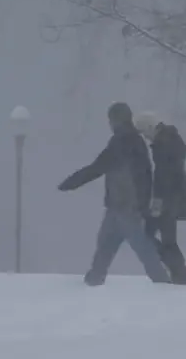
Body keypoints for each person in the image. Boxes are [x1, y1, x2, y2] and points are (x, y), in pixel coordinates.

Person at [58, 102, 170, 286]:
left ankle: (163, 281)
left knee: (140, 246)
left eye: (111, 120)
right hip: (120, 205)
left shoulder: (122, 141)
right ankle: (95, 277)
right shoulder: (135, 140)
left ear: (116, 120)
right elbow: (145, 174)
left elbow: (99, 167)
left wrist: (72, 182)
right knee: (106, 242)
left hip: (126, 206)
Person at [134, 111, 186, 285]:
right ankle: (177, 274)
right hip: (172, 197)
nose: (146, 137)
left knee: (161, 239)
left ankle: (178, 275)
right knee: (158, 238)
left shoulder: (163, 145)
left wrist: (157, 203)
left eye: (145, 133)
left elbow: (163, 177)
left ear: (151, 128)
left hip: (168, 200)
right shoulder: (172, 140)